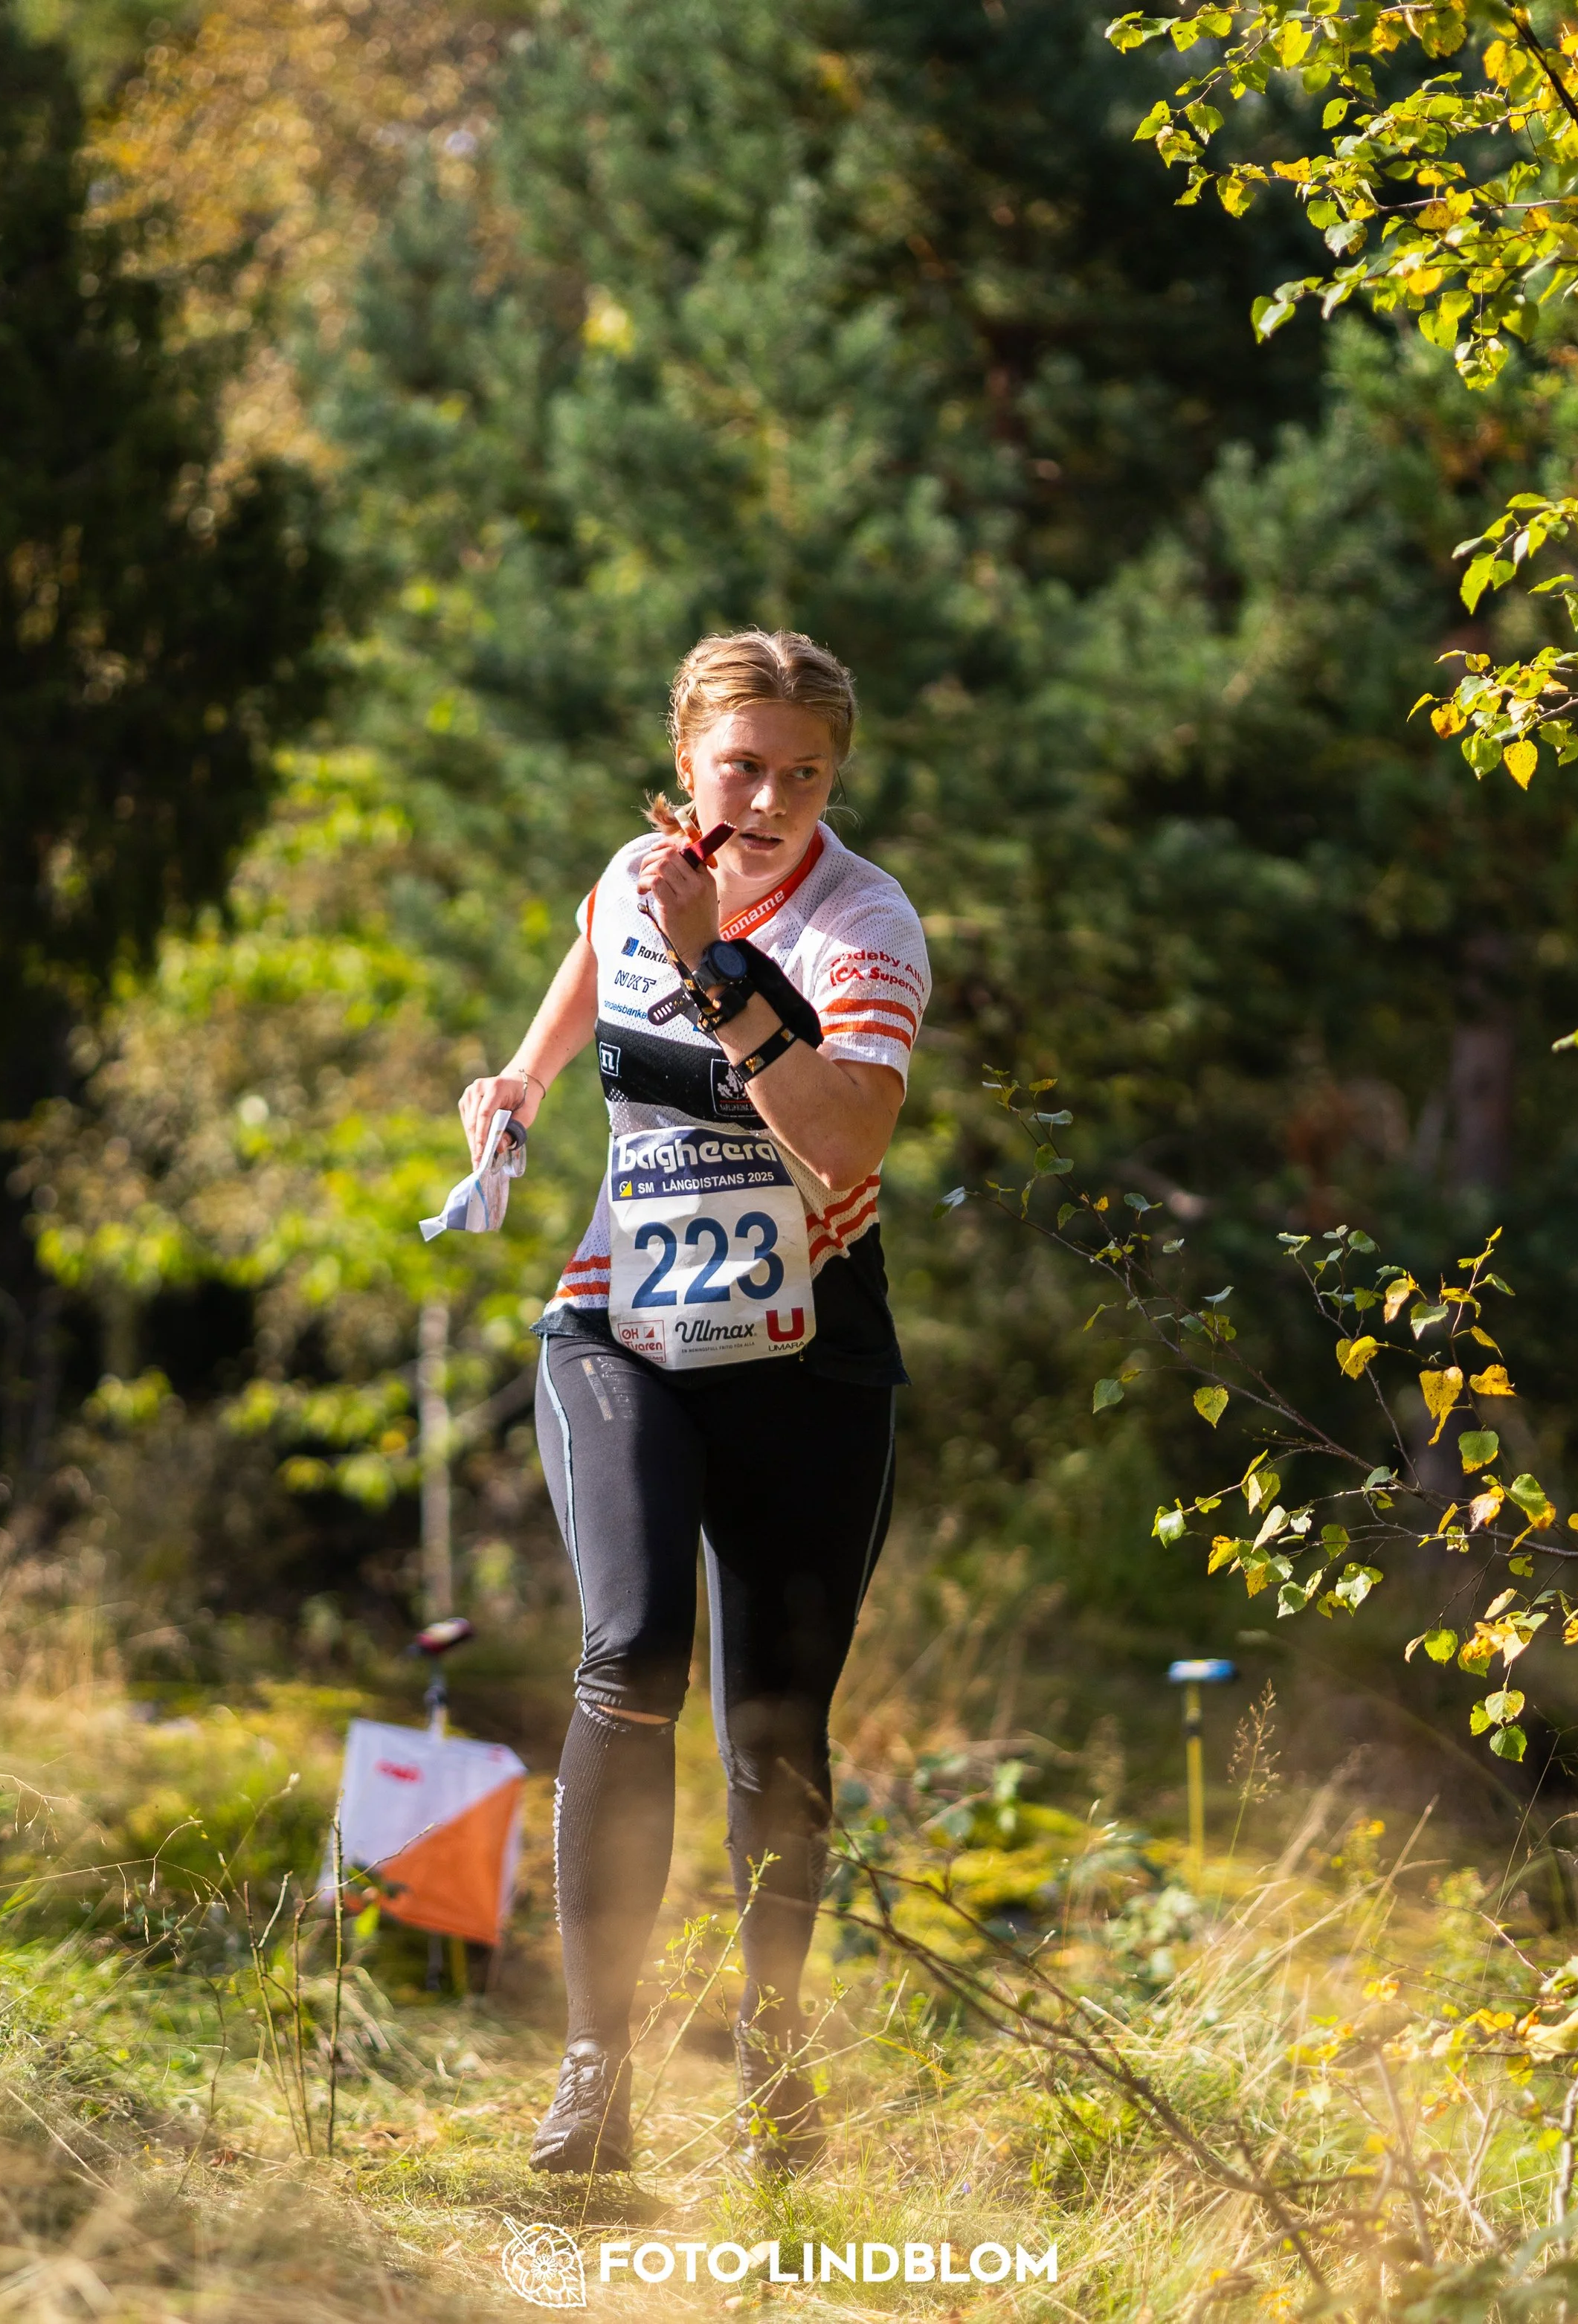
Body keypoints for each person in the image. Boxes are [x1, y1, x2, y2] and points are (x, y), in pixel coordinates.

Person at [457, 629, 929, 2177]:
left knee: (774, 1731)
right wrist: (509, 1089)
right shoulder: (632, 874)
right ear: (685, 764)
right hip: (625, 1330)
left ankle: (776, 2064)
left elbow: (846, 1140)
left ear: (836, 781)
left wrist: (725, 962)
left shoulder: (864, 924)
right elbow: (581, 979)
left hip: (807, 1355)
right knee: (631, 1644)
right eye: (742, 765)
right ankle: (596, 2076)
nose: (772, 795)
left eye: (806, 773)